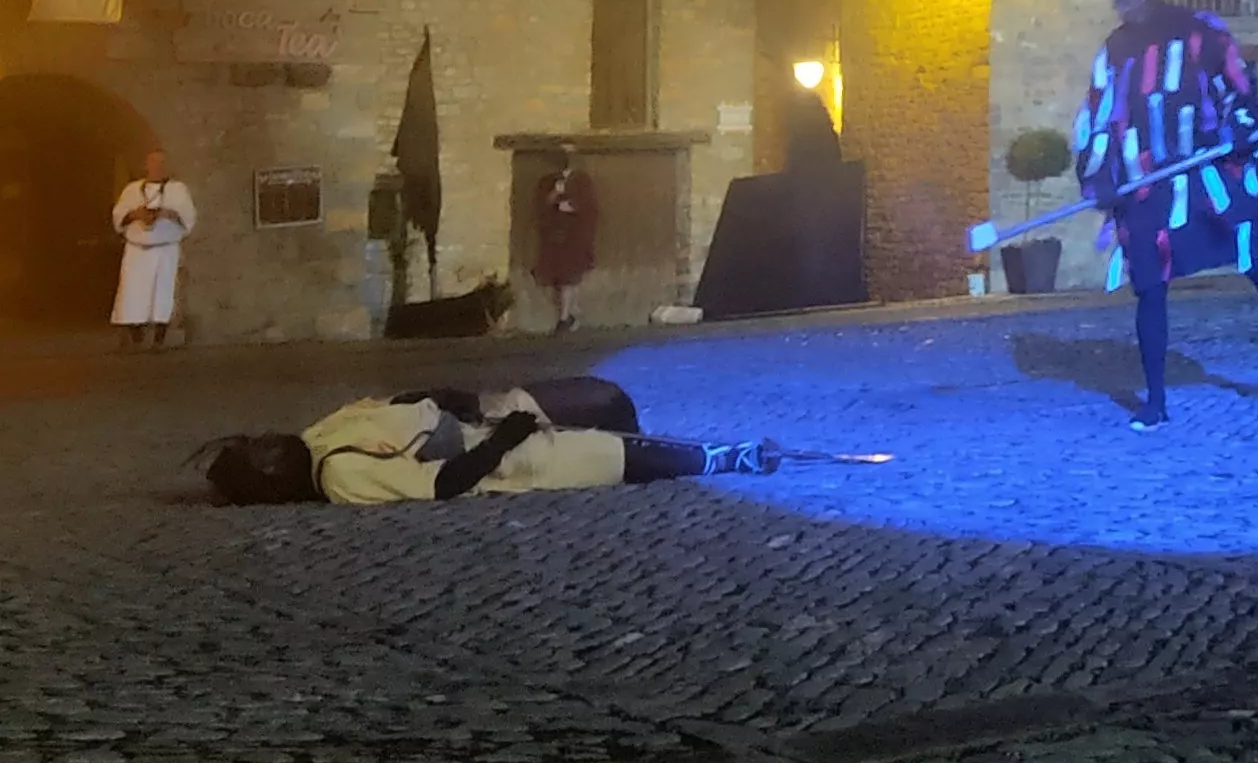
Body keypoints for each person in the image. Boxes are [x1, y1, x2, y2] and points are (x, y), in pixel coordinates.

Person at [1074, 0, 1258, 430]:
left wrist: (1239, 130)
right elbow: (1098, 112)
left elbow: (1239, 91)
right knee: (1150, 289)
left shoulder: (1201, 32)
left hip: (1209, 179)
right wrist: (1100, 176)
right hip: (1148, 187)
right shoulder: (1115, 48)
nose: (1117, 2)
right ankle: (1155, 400)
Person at [200, 378, 781, 506]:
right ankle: (729, 459)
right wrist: (504, 440)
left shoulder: (316, 436)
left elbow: (389, 408)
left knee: (604, 402)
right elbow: (442, 483)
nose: (269, 442)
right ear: (271, 477)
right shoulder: (339, 475)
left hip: (479, 418)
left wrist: (439, 398)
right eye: (260, 454)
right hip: (501, 458)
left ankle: (706, 451)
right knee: (614, 455)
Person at [111, 148, 194, 349]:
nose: (157, 166)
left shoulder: (177, 190)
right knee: (133, 293)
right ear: (146, 165)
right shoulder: (132, 190)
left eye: (161, 162)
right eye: (153, 162)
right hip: (137, 249)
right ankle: (136, 338)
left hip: (165, 249)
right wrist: (136, 214)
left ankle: (159, 339)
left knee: (162, 293)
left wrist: (168, 213)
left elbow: (188, 216)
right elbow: (119, 215)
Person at [531, 146, 598, 335]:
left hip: (575, 238)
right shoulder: (550, 180)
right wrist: (555, 193)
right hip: (555, 238)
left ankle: (565, 317)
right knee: (557, 279)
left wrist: (574, 207)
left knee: (569, 278)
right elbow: (543, 204)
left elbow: (590, 208)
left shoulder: (583, 181)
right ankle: (569, 315)